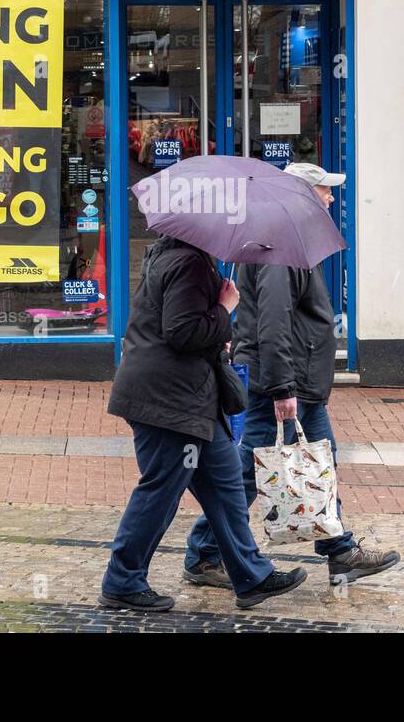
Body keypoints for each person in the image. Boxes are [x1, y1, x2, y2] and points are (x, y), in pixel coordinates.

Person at [183, 162, 401, 590]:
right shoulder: (279, 244)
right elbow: (273, 320)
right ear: (301, 194)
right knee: (249, 472)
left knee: (316, 462)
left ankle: (339, 552)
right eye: (324, 191)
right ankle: (205, 555)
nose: (332, 198)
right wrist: (284, 388)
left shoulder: (284, 239)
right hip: (280, 384)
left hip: (290, 382)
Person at [100, 233, 308, 612]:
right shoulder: (187, 263)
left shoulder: (178, 256)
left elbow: (182, 326)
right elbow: (182, 332)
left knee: (226, 485)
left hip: (189, 398)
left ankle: (251, 576)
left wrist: (217, 322)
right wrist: (225, 309)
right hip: (170, 401)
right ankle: (123, 580)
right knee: (161, 491)